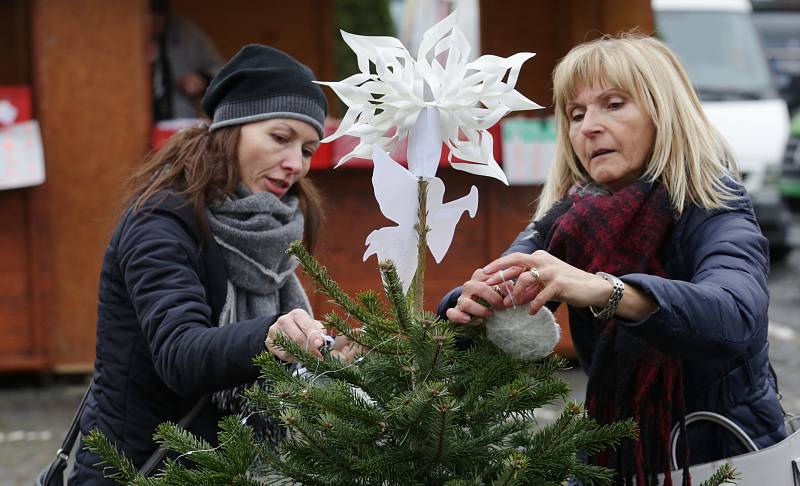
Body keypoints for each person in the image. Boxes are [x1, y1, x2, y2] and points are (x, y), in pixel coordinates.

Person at [439, 34, 787, 484]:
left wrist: (610, 291)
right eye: (576, 114)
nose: (588, 127)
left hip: (725, 460)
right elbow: (494, 305)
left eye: (614, 104)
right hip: (608, 461)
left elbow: (735, 315)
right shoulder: (566, 218)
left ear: (665, 113)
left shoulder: (714, 204)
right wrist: (468, 307)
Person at [70, 44, 355, 484]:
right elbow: (179, 354)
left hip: (229, 471)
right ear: (231, 129)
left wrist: (329, 353)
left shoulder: (275, 227)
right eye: (280, 138)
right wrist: (271, 334)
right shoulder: (160, 222)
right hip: (140, 472)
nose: (294, 163)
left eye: (308, 149)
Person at [150, 0, 223, 121]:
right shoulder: (128, 36)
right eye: (149, 21)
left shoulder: (186, 33)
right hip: (139, 121)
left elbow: (220, 69)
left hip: (182, 120)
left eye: (158, 20)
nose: (155, 26)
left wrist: (201, 78)